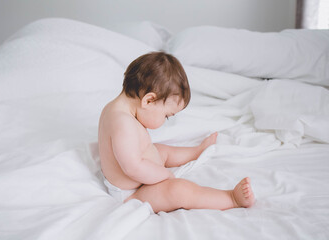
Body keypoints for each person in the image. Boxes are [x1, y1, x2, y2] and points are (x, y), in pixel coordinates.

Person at [98, 52, 255, 213]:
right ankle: (232, 198)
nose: (165, 120)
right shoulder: (123, 123)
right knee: (178, 191)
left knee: (161, 150)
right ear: (149, 100)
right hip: (133, 193)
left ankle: (196, 151)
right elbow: (133, 167)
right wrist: (164, 175)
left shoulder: (115, 109)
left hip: (140, 176)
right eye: (166, 116)